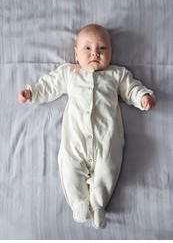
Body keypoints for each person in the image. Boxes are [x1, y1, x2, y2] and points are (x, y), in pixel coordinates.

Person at [19, 24, 155, 229]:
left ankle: (99, 204)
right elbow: (49, 85)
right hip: (76, 138)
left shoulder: (116, 74)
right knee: (69, 166)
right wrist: (33, 92)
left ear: (111, 52)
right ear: (76, 54)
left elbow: (131, 88)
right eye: (88, 48)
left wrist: (142, 96)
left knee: (108, 168)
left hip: (106, 139)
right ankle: (79, 203)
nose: (95, 53)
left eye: (102, 48)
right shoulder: (70, 73)